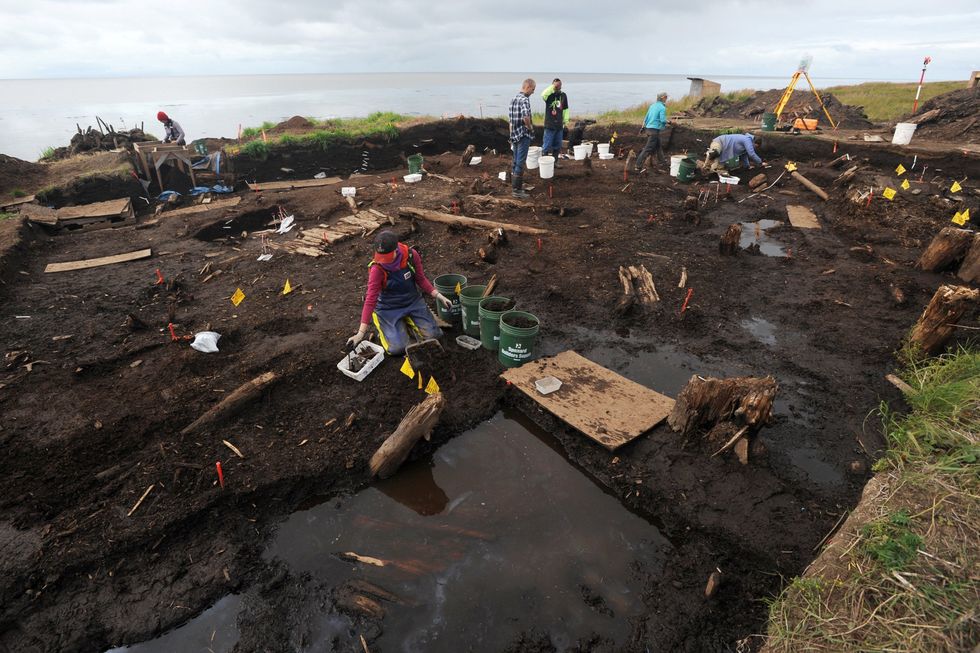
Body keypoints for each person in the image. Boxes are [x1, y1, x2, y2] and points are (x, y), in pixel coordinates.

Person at [347, 231, 452, 356]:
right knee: (397, 349)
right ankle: (390, 328)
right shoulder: (377, 269)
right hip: (388, 308)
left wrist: (439, 296)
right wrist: (360, 333)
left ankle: (406, 323)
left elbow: (421, 279)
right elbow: (370, 300)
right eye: (380, 257)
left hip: (412, 301)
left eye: (386, 257)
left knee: (435, 336)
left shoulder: (411, 256)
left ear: (396, 250)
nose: (383, 261)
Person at [508, 78, 536, 199]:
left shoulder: (513, 99)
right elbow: (526, 117)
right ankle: (517, 190)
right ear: (528, 87)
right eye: (533, 89)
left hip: (514, 134)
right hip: (523, 134)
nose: (533, 92)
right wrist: (530, 128)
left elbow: (510, 120)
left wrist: (511, 135)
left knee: (515, 160)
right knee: (520, 161)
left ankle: (516, 186)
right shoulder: (524, 100)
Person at [634, 92, 669, 172]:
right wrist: (667, 122)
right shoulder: (662, 108)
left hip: (648, 129)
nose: (667, 99)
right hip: (654, 131)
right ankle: (638, 165)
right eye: (666, 97)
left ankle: (662, 162)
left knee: (658, 146)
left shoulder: (652, 106)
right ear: (663, 98)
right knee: (648, 149)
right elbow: (662, 120)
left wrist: (643, 127)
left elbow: (646, 117)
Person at [540, 78, 569, 159]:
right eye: (556, 85)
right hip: (550, 124)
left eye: (559, 85)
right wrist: (553, 87)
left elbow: (566, 109)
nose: (558, 87)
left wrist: (565, 121)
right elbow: (543, 94)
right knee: (547, 144)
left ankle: (555, 161)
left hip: (559, 124)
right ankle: (545, 161)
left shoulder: (563, 95)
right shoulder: (549, 95)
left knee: (558, 145)